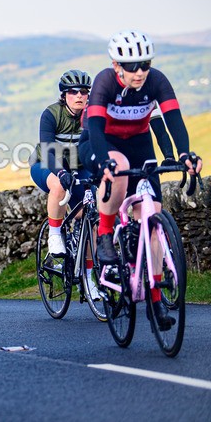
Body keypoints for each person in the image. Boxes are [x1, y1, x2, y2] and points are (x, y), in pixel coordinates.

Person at [79, 29, 203, 330]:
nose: (139, 72)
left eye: (145, 64)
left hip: (138, 142)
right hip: (100, 142)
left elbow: (174, 120)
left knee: (151, 214)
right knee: (118, 166)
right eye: (132, 66)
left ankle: (155, 297)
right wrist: (104, 161)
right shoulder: (105, 82)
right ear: (116, 65)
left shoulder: (157, 80)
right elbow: (94, 127)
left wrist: (185, 154)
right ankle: (106, 236)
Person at [29, 71, 94, 244]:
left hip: (79, 166)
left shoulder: (93, 115)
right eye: (73, 92)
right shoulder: (52, 114)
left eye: (83, 91)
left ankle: (88, 271)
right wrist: (61, 172)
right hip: (46, 164)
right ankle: (55, 235)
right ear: (64, 95)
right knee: (59, 186)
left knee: (93, 212)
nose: (79, 96)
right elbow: (48, 150)